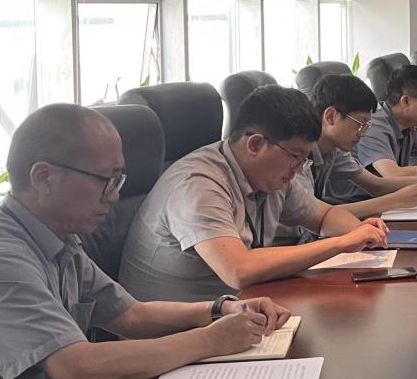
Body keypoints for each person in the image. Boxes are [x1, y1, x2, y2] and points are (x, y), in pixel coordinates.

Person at [0, 105, 289, 379]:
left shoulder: (60, 239)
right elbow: (78, 369)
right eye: (106, 180)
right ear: (44, 177)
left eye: (118, 181)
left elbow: (131, 315)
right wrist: (211, 340)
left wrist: (220, 309)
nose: (114, 195)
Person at [119, 85, 389, 303]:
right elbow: (239, 270)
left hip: (238, 310)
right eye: (295, 156)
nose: (299, 169)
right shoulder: (197, 184)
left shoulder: (272, 176)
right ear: (256, 144)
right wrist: (342, 243)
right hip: (175, 335)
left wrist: (363, 234)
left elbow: (323, 216)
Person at [305, 74, 417, 210]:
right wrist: (395, 200)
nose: (363, 134)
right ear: (331, 116)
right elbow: (319, 216)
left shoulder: (335, 150)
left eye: (366, 126)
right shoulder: (299, 155)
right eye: (360, 124)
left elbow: (377, 185)